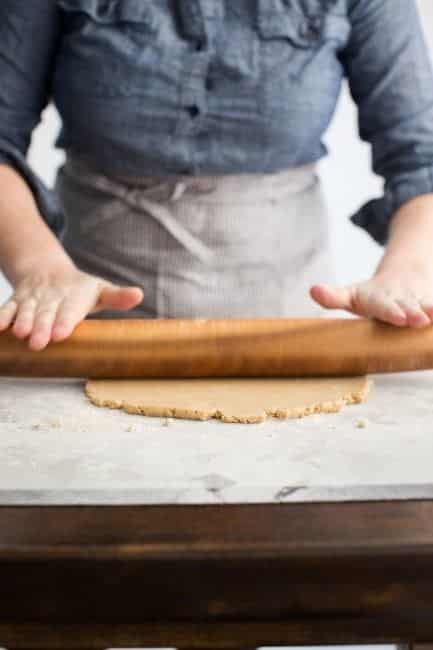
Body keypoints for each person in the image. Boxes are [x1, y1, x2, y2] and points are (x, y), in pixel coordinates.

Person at [1, 0, 433, 352]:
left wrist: (407, 272)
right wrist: (41, 268)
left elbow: (422, 160)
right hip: (86, 326)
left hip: (289, 327)